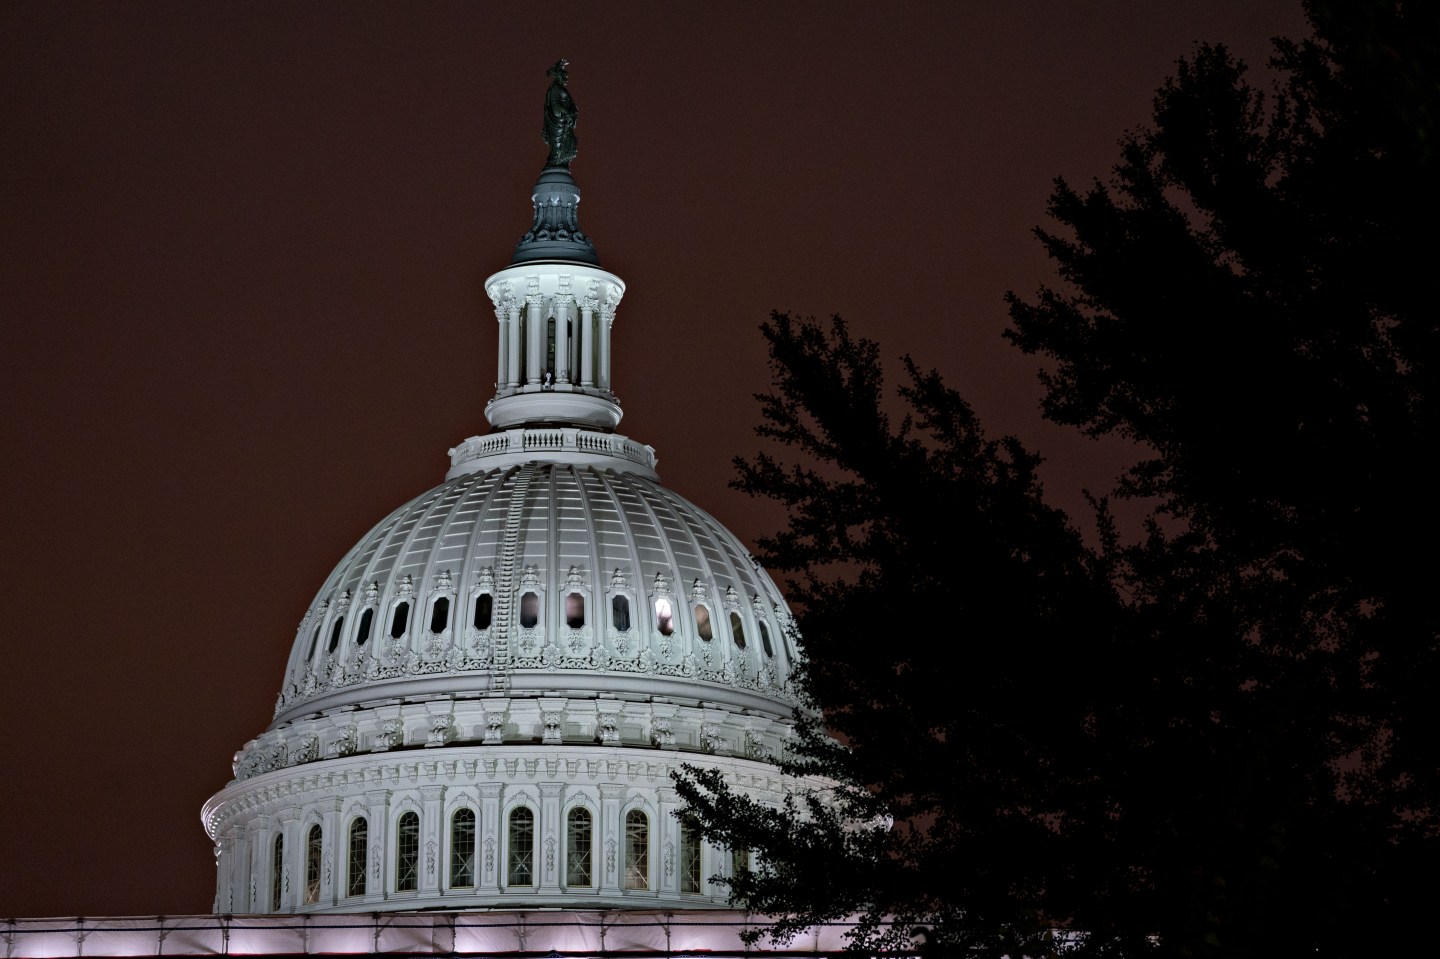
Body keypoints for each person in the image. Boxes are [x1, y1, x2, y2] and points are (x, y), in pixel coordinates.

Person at [543, 59, 578, 167]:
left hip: (565, 121)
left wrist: (573, 111)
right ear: (559, 76)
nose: (566, 79)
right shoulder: (556, 89)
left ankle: (561, 162)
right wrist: (567, 112)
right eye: (564, 77)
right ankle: (556, 162)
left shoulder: (560, 88)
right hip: (558, 121)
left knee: (569, 142)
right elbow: (556, 105)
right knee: (558, 143)